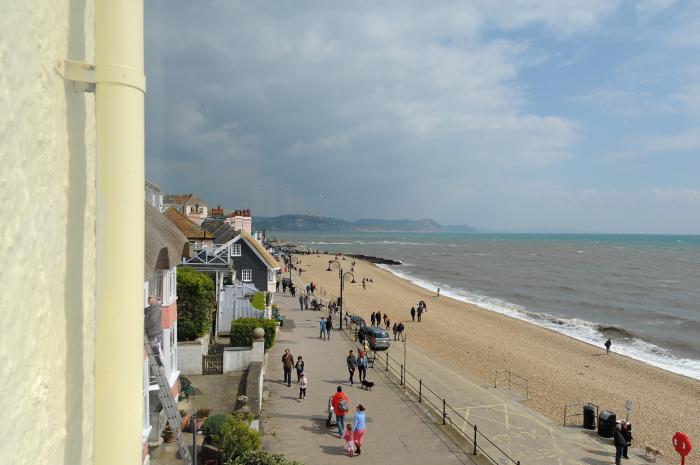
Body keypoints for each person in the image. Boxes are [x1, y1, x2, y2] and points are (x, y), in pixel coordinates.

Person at [144, 295, 163, 365]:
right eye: (147, 298)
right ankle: (160, 365)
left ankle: (161, 368)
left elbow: (152, 321)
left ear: (155, 299)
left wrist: (143, 327)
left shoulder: (156, 309)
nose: (147, 299)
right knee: (155, 353)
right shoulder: (150, 308)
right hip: (152, 334)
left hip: (154, 335)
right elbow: (144, 310)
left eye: (149, 298)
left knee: (156, 354)